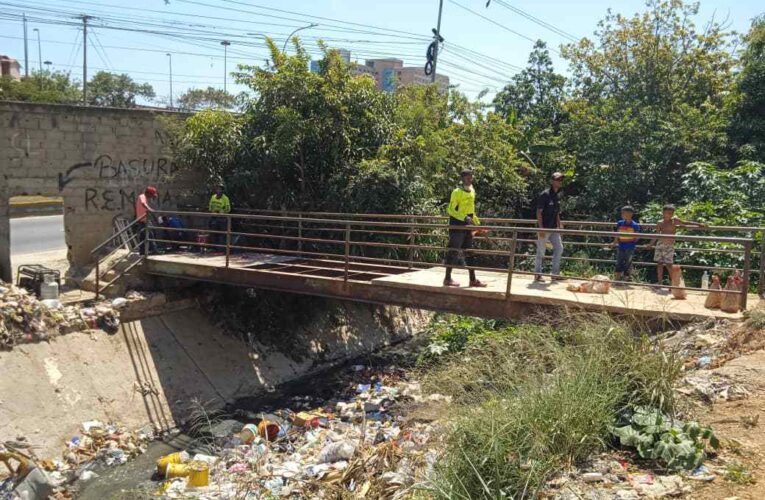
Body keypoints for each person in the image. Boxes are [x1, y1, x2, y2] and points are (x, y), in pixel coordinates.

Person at [443, 169, 486, 288]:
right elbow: (451, 210)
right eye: (467, 178)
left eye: (471, 177)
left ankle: (473, 279)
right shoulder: (456, 192)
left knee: (469, 252)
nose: (470, 180)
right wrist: (464, 217)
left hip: (467, 226)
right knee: (453, 251)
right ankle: (447, 278)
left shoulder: (472, 191)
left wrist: (478, 224)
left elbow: (472, 211)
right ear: (462, 179)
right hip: (457, 225)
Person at [648, 204, 706, 285]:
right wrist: (650, 244)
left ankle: (674, 283)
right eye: (667, 213)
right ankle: (660, 282)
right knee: (659, 264)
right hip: (660, 244)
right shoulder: (660, 222)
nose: (669, 215)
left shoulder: (674, 220)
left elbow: (685, 223)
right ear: (663, 213)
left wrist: (698, 224)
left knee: (669, 265)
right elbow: (657, 235)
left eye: (671, 213)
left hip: (669, 245)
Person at [534, 172, 564, 282]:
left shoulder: (558, 195)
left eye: (561, 180)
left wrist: (559, 224)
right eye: (557, 180)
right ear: (552, 181)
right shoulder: (545, 194)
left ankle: (554, 274)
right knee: (541, 251)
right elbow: (538, 212)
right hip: (545, 228)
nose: (559, 182)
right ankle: (537, 274)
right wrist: (541, 228)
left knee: (559, 248)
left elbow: (557, 212)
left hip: (554, 228)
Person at [611, 205, 641, 281]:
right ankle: (617, 278)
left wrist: (632, 242)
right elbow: (617, 234)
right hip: (621, 246)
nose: (622, 215)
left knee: (628, 262)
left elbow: (637, 236)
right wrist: (614, 242)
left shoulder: (635, 225)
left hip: (630, 247)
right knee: (619, 261)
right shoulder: (620, 223)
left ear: (630, 214)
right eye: (622, 213)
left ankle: (626, 278)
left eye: (624, 213)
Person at [134, 185, 159, 254]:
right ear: (148, 193)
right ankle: (154, 250)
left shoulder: (144, 197)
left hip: (143, 220)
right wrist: (150, 209)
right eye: (151, 195)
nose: (151, 197)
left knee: (143, 236)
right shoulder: (142, 196)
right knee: (150, 235)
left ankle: (142, 252)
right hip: (143, 221)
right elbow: (143, 204)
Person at [208, 184, 231, 248]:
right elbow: (210, 206)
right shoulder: (213, 197)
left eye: (220, 189)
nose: (218, 190)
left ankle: (222, 248)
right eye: (217, 189)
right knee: (213, 232)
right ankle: (214, 247)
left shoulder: (225, 198)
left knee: (223, 234)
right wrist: (212, 211)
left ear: (222, 190)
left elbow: (228, 209)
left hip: (222, 218)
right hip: (214, 217)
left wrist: (221, 211)